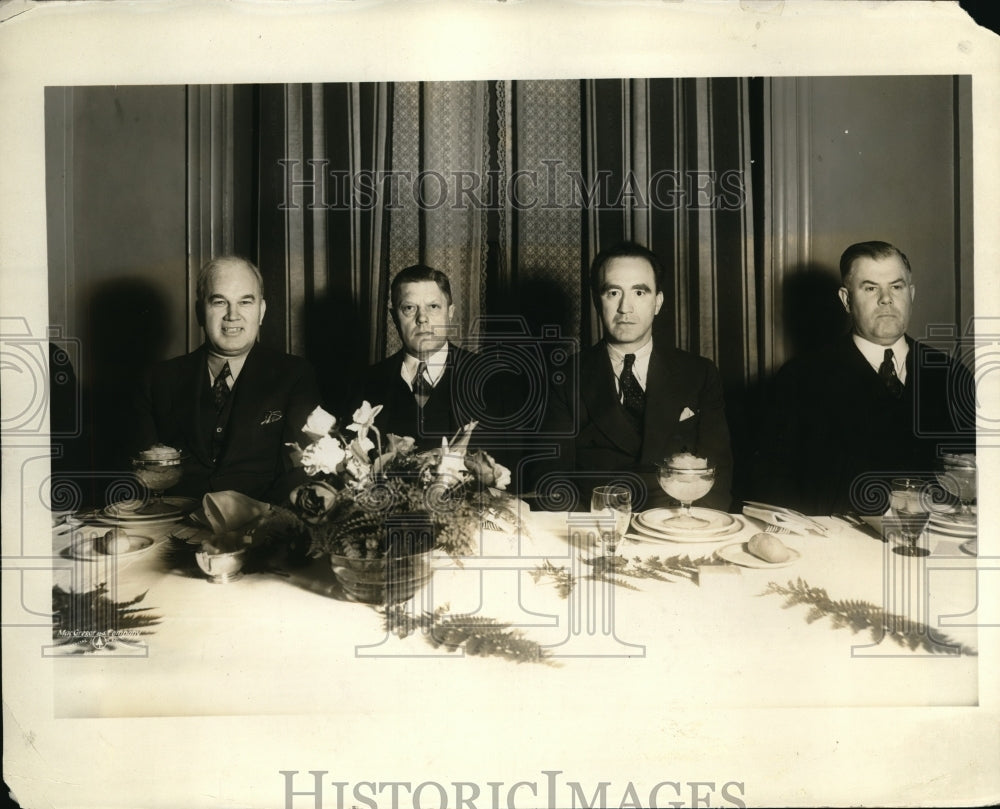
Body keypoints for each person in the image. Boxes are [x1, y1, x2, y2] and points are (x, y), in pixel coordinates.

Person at [756, 240, 975, 515]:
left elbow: (974, 482)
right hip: (839, 548)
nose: (886, 299)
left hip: (934, 543)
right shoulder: (800, 378)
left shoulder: (953, 376)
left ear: (912, 293)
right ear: (846, 300)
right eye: (870, 288)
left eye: (896, 287)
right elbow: (773, 487)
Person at [532, 242, 733, 511]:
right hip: (596, 527)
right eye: (613, 292)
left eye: (639, 292)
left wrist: (695, 535)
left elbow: (717, 476)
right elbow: (552, 481)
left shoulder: (699, 373)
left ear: (657, 302)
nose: (625, 307)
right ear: (596, 301)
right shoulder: (564, 377)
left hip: (679, 527)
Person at [133, 256, 321, 503]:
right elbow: (140, 474)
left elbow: (302, 470)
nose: (233, 315)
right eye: (220, 302)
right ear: (201, 312)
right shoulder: (157, 380)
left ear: (261, 311)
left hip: (263, 529)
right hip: (173, 525)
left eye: (245, 302)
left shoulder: (295, 375)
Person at [359, 265, 524, 477]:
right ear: (393, 317)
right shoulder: (365, 383)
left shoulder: (494, 380)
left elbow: (509, 472)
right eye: (409, 308)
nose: (422, 318)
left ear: (450, 313)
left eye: (433, 307)